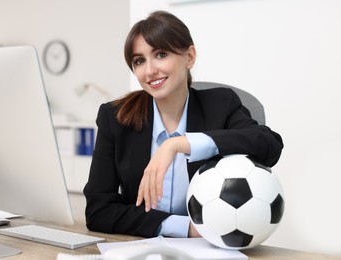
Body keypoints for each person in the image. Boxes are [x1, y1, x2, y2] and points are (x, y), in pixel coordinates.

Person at [83, 10, 283, 238]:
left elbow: (270, 144)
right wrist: (184, 228)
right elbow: (98, 212)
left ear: (189, 57)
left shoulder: (221, 104)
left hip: (210, 251)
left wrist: (180, 143)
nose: (149, 71)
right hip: (142, 247)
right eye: (139, 60)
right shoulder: (115, 117)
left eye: (160, 54)